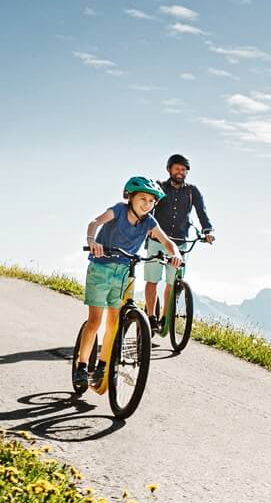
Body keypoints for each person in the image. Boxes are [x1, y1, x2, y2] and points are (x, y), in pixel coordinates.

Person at [74, 177, 182, 394]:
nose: (147, 204)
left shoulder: (149, 221)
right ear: (130, 197)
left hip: (124, 273)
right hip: (101, 269)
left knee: (114, 323)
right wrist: (92, 241)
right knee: (95, 322)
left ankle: (103, 367)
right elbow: (95, 223)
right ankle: (82, 365)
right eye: (142, 198)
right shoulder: (119, 211)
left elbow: (166, 241)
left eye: (151, 201)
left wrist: (176, 254)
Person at [144, 152, 216, 322]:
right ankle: (150, 317)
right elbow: (149, 208)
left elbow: (202, 212)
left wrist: (208, 231)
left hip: (180, 243)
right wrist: (147, 228)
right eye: (177, 168)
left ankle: (164, 317)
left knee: (172, 282)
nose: (180, 172)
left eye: (183, 169)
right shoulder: (159, 187)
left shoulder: (193, 191)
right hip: (157, 240)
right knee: (152, 279)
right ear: (169, 169)